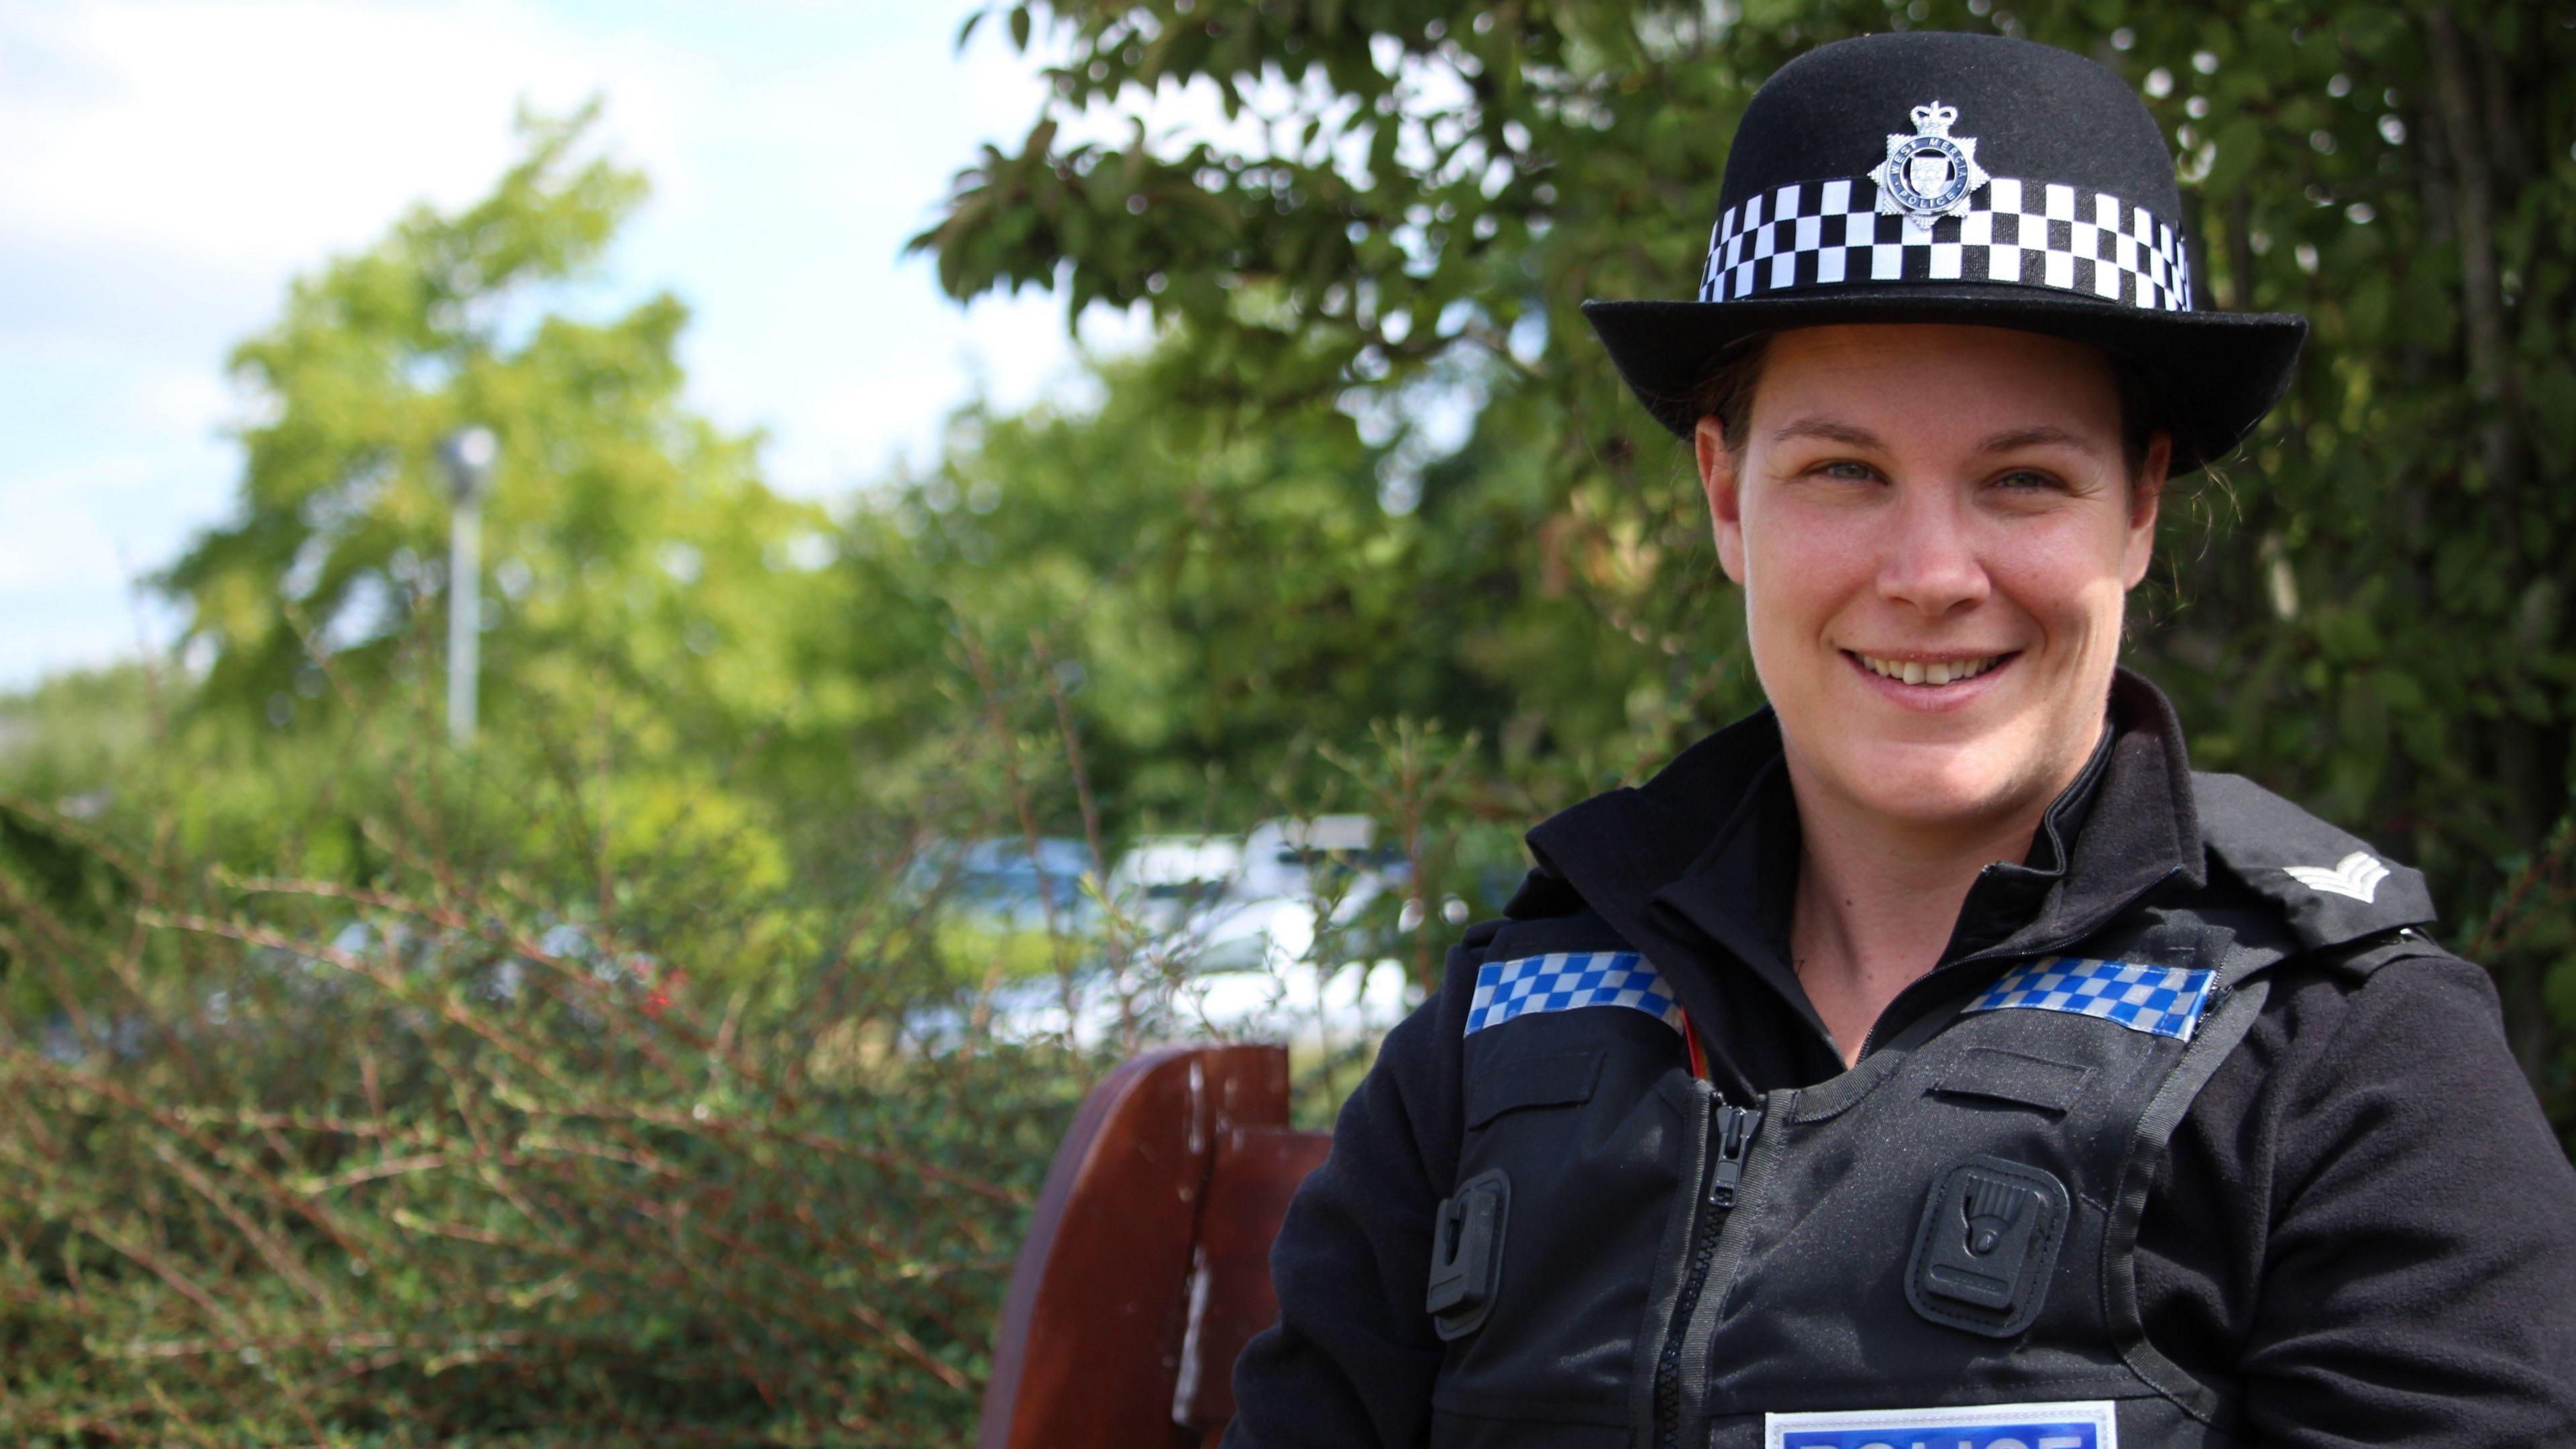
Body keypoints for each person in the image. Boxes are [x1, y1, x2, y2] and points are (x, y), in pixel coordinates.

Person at [1223, 30, 2576, 1449]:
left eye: (2024, 479)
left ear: (2140, 508)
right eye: (1845, 471)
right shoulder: (1503, 1028)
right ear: (1726, 497)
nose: (1932, 572)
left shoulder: (2340, 1048)